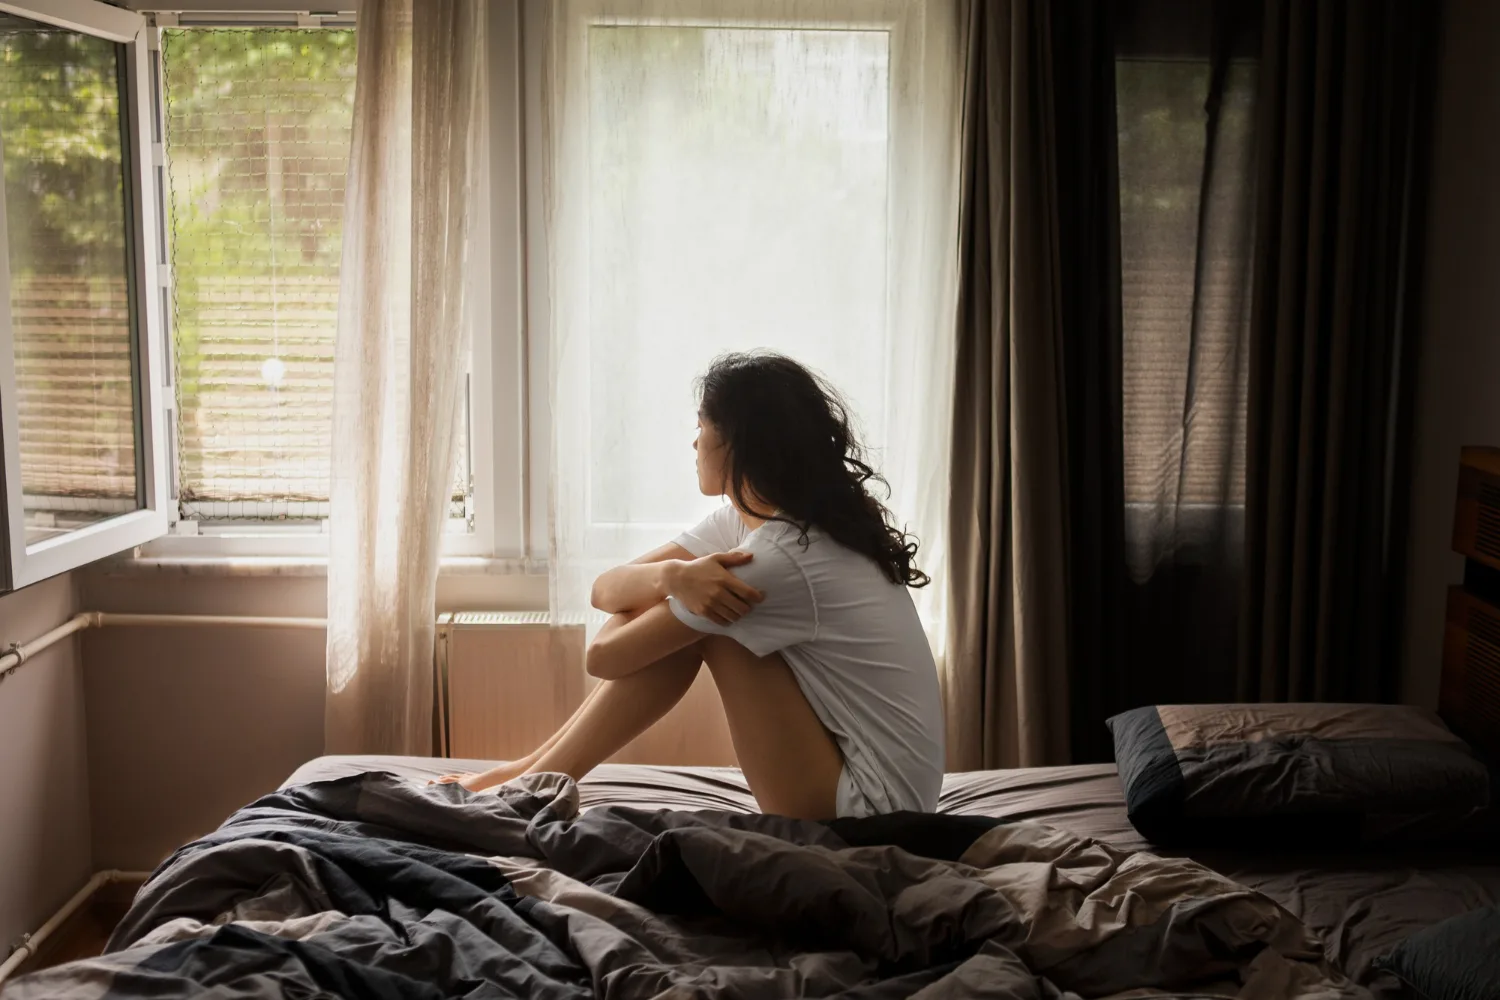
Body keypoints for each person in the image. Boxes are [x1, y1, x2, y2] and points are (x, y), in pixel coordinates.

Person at [437, 352, 943, 820]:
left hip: (872, 814)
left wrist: (668, 592)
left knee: (709, 625)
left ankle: (538, 780)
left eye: (702, 427)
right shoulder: (755, 524)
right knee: (692, 611)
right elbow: (606, 589)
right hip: (874, 790)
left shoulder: (777, 558)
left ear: (738, 447)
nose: (694, 442)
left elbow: (604, 656)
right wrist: (671, 577)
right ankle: (532, 772)